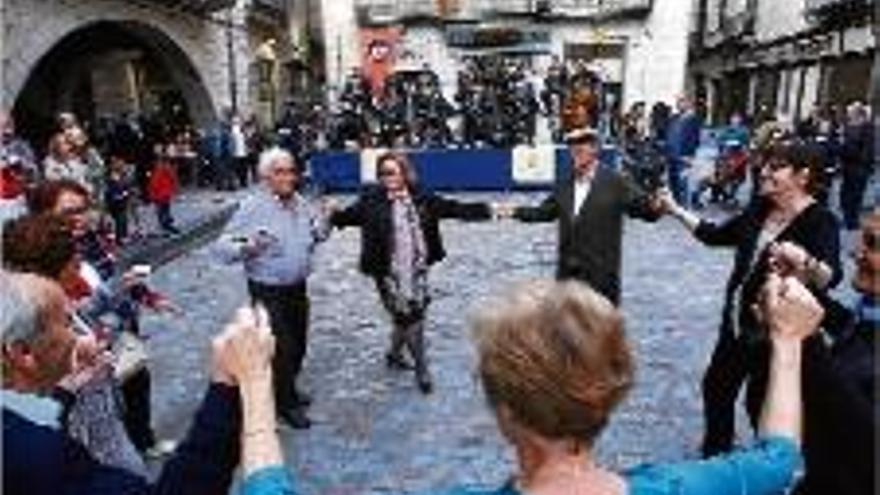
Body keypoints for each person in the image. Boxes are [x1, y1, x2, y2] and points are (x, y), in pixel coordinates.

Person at [237, 276, 820, 495]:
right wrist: (788, 342)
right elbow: (778, 457)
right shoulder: (687, 486)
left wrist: (256, 383)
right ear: (613, 388)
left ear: (504, 409)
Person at [1, 272, 279, 495]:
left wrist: (63, 393)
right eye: (66, 323)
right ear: (22, 352)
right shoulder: (35, 456)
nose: (77, 337)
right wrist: (226, 385)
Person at [660, 139, 842, 457]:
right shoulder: (759, 210)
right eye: (765, 165)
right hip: (736, 324)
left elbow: (831, 277)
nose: (764, 172)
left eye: (776, 167)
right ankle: (717, 457)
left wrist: (804, 261)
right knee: (716, 389)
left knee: (761, 402)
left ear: (802, 176)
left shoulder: (819, 220)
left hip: (775, 331)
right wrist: (675, 210)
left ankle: (768, 468)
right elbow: (714, 235)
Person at [27, 179, 177, 457]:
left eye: (82, 209)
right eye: (68, 212)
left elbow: (113, 275)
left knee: (137, 381)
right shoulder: (40, 257)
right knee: (96, 407)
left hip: (115, 327)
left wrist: (147, 297)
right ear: (44, 215)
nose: (80, 218)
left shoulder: (90, 239)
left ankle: (143, 442)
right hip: (82, 345)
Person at [331, 151, 493, 394]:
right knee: (411, 318)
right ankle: (422, 368)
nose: (388, 177)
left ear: (405, 173)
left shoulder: (421, 197)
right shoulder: (371, 198)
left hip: (416, 269)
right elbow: (348, 217)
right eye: (383, 172)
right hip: (387, 271)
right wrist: (332, 213)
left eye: (393, 171)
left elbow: (453, 208)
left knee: (406, 315)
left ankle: (394, 354)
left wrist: (490, 210)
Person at [215, 147, 331, 429]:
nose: (289, 177)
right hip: (268, 290)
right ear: (266, 176)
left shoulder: (300, 202)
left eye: (291, 171)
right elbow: (221, 248)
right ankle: (286, 404)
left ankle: (287, 387)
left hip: (296, 286)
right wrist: (249, 245)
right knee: (282, 347)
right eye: (280, 172)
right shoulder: (252, 206)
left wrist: (325, 219)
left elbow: (316, 236)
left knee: (299, 343)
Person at [770, 209, 877, 495]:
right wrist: (803, 287)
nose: (856, 253)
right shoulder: (869, 309)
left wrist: (802, 338)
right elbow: (854, 332)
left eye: (873, 243)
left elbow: (867, 438)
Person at [502, 129, 663, 305]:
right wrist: (513, 211)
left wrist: (657, 205)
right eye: (573, 148)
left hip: (601, 277)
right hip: (568, 276)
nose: (576, 151)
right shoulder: (565, 185)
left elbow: (645, 211)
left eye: (581, 147)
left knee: (600, 328)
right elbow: (544, 213)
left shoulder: (616, 182)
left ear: (595, 149)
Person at [839, 102, 873, 230]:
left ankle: (852, 222)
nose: (848, 115)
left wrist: (848, 150)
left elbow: (866, 150)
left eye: (850, 112)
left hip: (859, 169)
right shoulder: (849, 126)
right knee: (845, 195)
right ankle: (849, 219)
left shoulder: (867, 127)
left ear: (857, 113)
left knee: (855, 196)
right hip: (848, 167)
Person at [665, 96, 702, 207]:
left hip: (684, 155)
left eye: (682, 102)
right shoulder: (674, 118)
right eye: (678, 102)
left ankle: (683, 204)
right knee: (672, 180)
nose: (679, 104)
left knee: (682, 181)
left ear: (688, 104)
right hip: (671, 154)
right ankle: (675, 204)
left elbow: (695, 139)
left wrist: (690, 155)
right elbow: (669, 133)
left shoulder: (693, 119)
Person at [147, 144, 180, 235]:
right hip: (163, 194)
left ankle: (165, 225)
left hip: (161, 194)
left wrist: (151, 193)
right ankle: (166, 225)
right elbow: (173, 180)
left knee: (162, 210)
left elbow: (153, 184)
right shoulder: (165, 169)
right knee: (164, 209)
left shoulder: (160, 170)